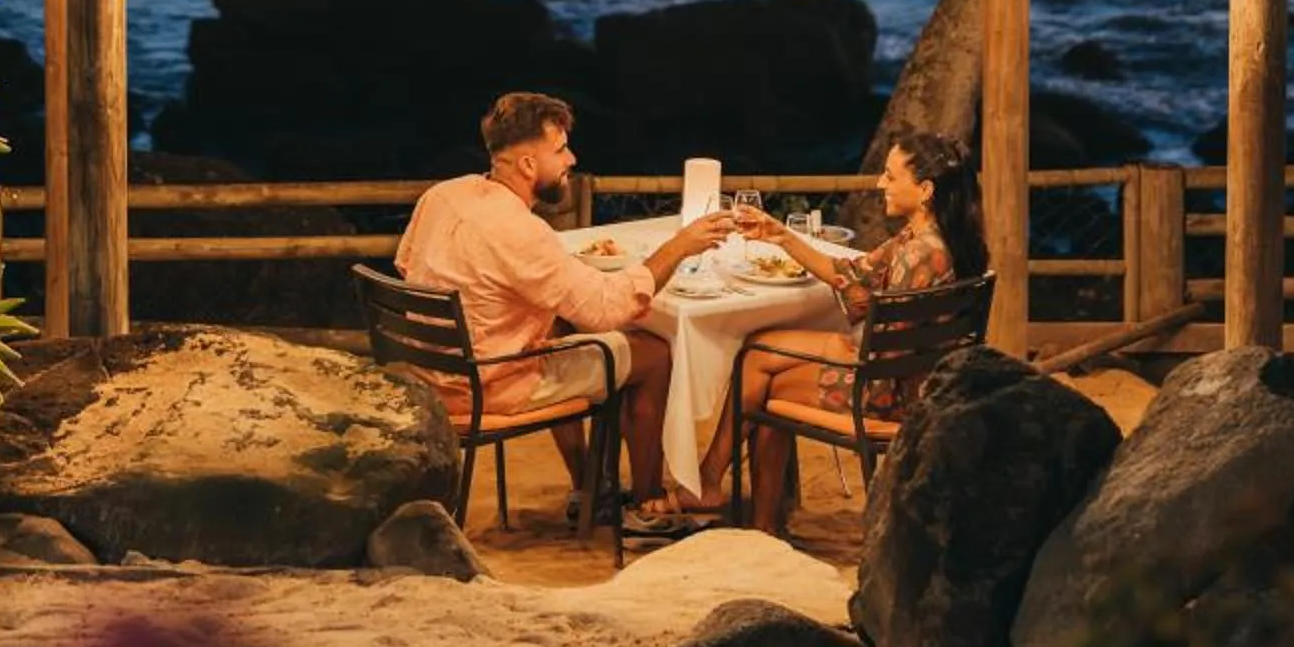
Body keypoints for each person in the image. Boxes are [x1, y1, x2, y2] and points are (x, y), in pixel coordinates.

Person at [396, 90, 736, 534]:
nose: (572, 159)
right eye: (559, 151)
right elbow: (605, 309)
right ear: (528, 166)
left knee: (556, 321)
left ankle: (590, 488)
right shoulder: (521, 231)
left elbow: (406, 263)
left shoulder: (444, 195)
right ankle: (645, 504)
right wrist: (679, 247)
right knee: (653, 355)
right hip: (488, 384)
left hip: (431, 373)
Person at [690, 131, 987, 535]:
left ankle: (730, 500)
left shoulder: (919, 256)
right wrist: (779, 235)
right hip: (915, 381)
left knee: (759, 380)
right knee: (756, 351)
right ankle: (740, 506)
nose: (880, 183)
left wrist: (836, 349)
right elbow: (851, 276)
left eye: (890, 176)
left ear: (925, 190)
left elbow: (884, 358)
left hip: (891, 397)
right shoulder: (934, 238)